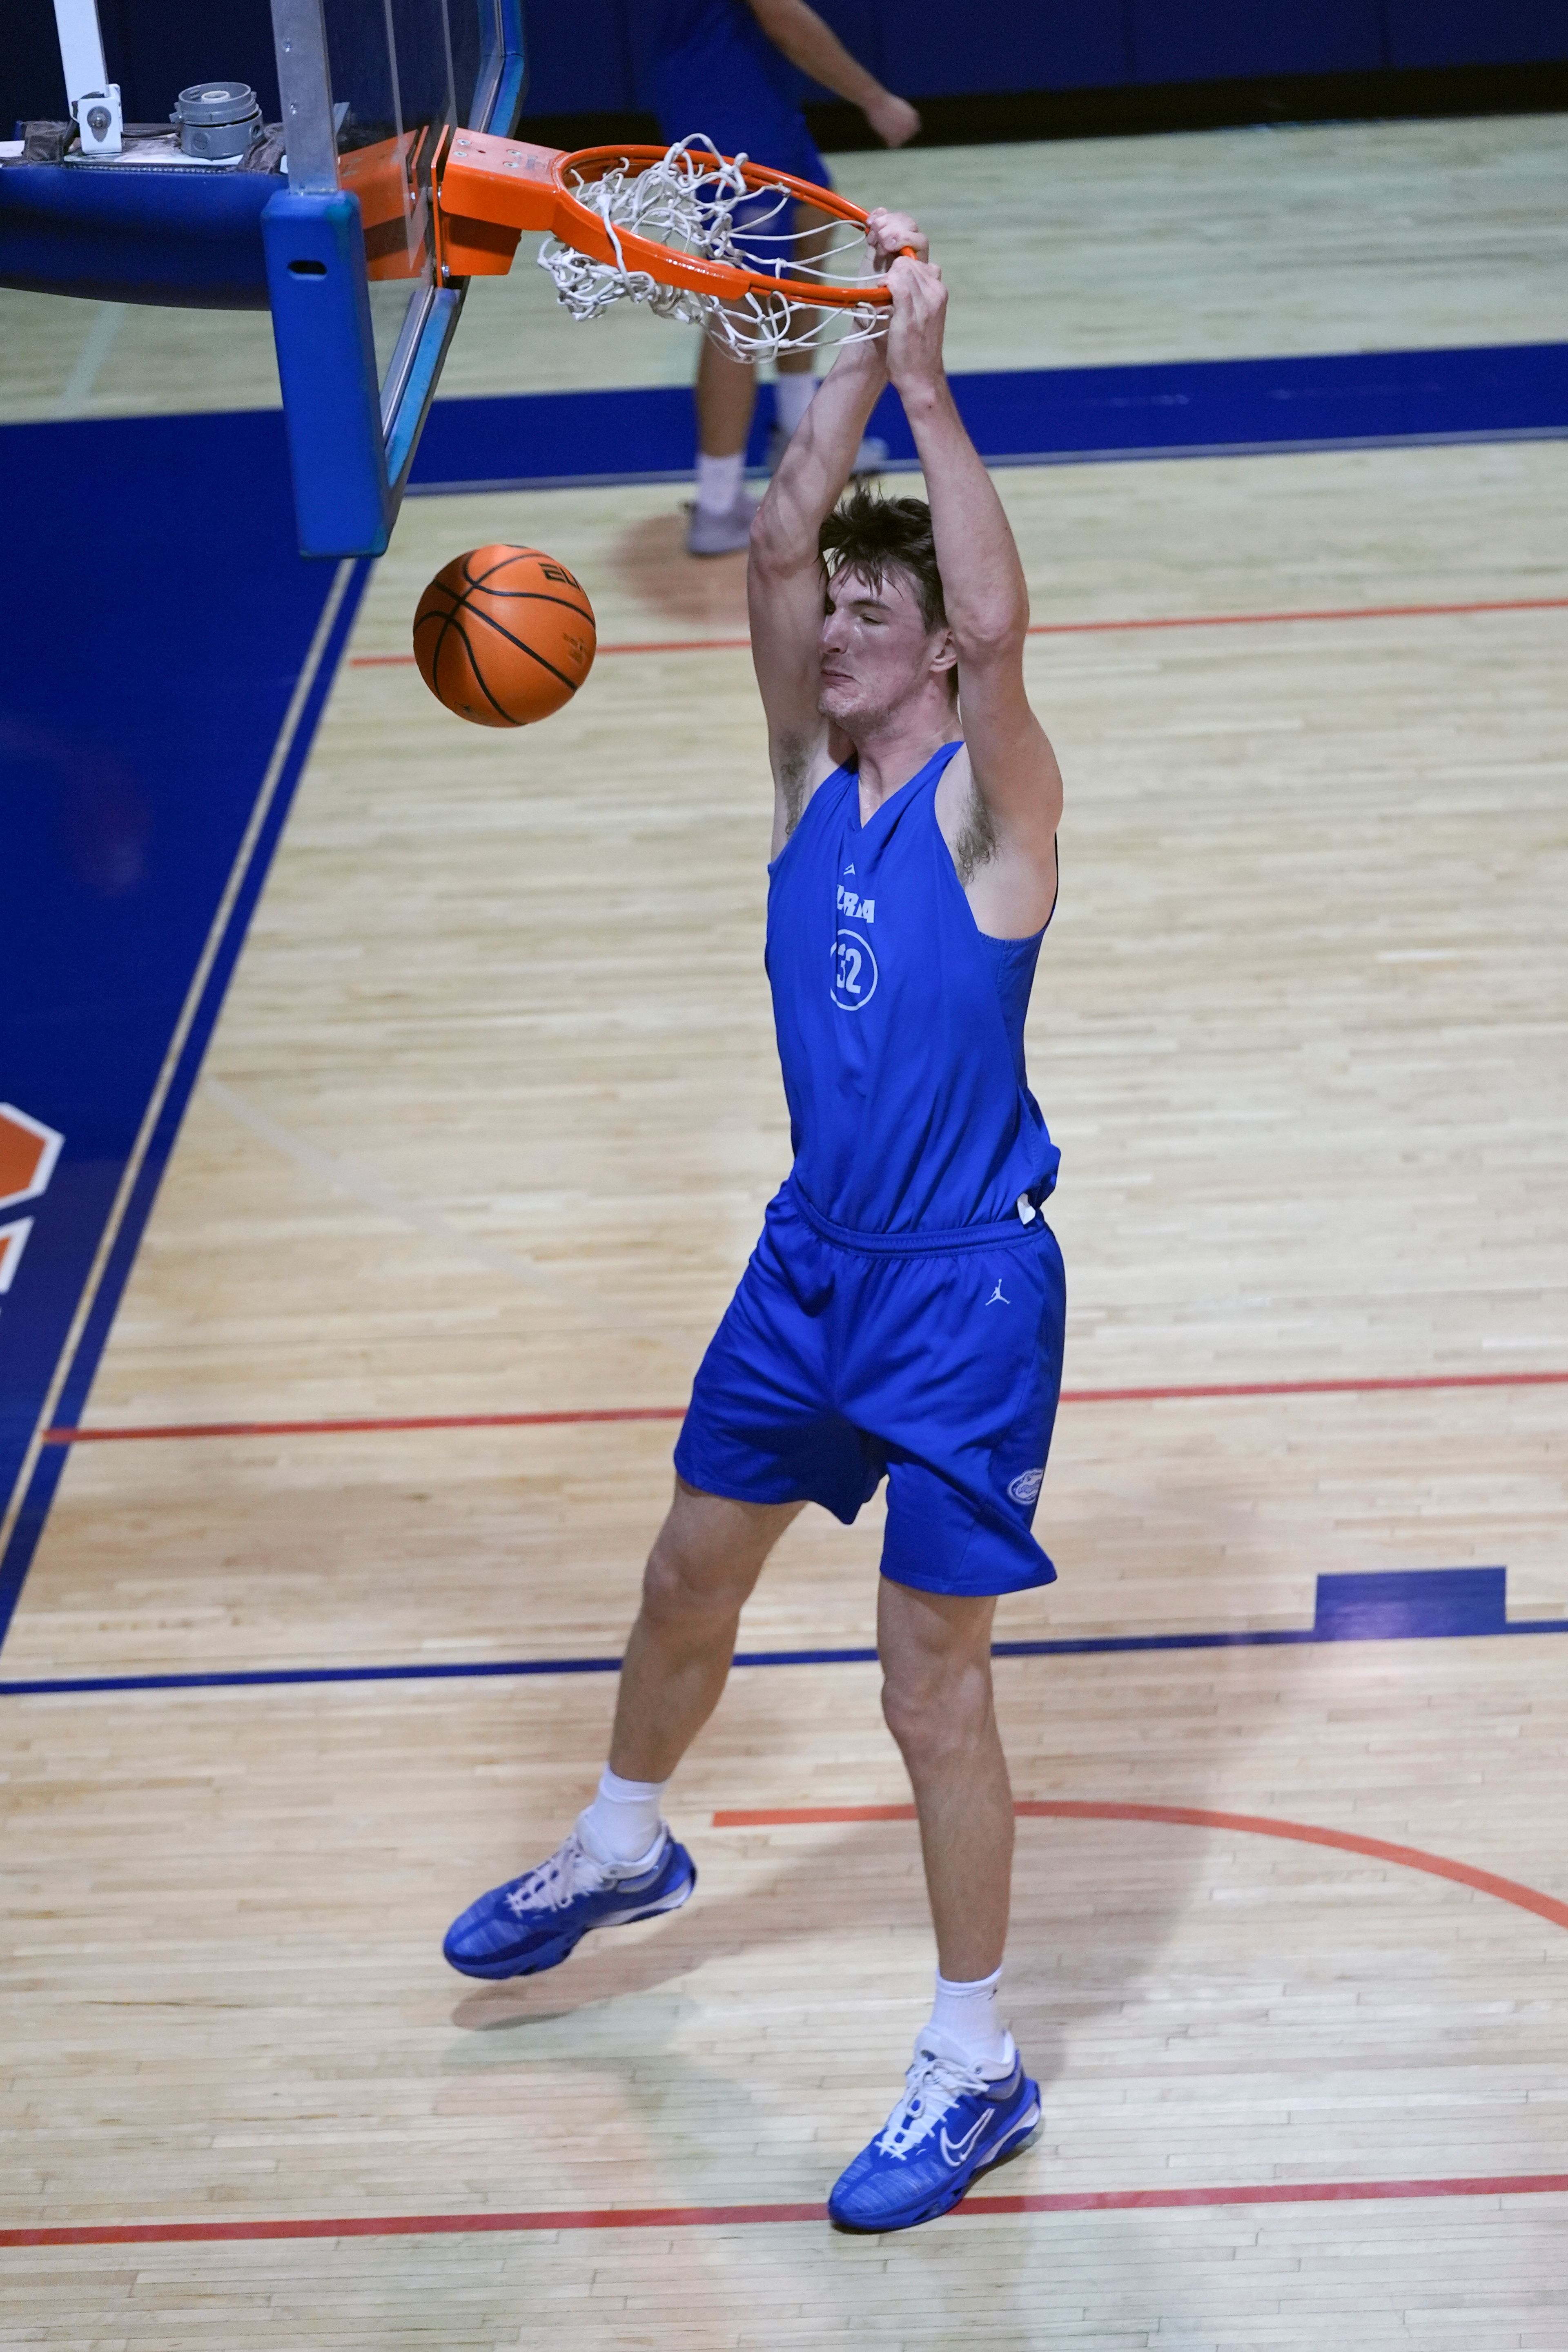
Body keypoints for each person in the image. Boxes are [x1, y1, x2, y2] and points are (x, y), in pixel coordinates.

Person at [444, 206, 1067, 2234]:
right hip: (807, 1267)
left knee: (925, 1686)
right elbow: (792, 537)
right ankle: (625, 1839)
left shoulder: (992, 802)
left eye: (892, 614)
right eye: (845, 613)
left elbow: (984, 597)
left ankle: (975, 2067)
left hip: (963, 1293)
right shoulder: (804, 774)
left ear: (948, 648)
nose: (847, 626)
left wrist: (935, 376)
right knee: (681, 1577)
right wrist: (847, 349)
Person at [647, 0, 922, 555]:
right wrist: (875, 98)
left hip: (755, 84)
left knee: (810, 225)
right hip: (724, 99)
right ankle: (719, 504)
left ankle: (801, 432)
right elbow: (783, 16)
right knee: (738, 300)